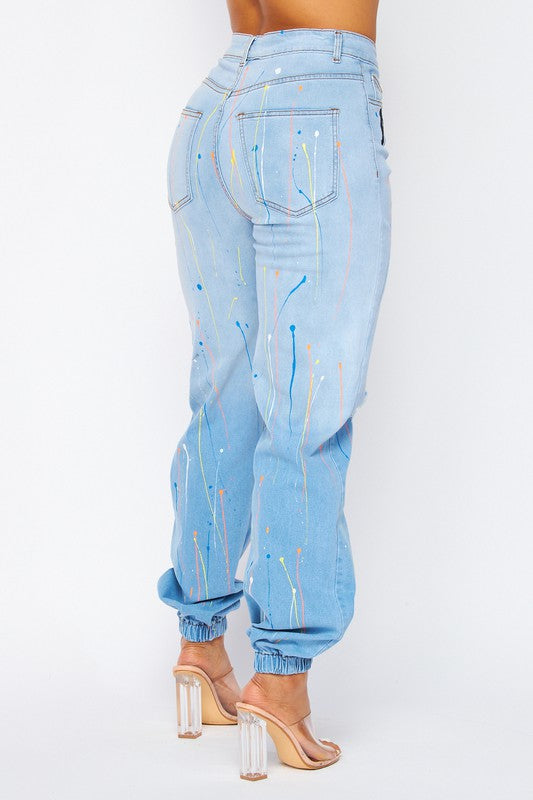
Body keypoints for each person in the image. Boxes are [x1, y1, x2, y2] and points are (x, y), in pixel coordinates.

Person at [157, 0, 391, 779]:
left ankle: (200, 646)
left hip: (214, 108)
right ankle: (281, 682)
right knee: (306, 406)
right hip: (314, 99)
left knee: (222, 398)